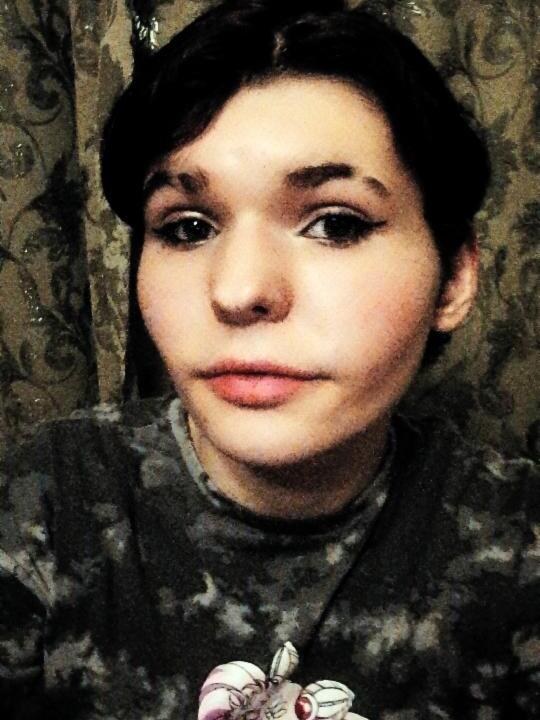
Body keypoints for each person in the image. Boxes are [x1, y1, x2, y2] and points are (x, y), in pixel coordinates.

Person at [0, 1, 538, 718]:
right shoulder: (43, 503)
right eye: (187, 228)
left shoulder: (516, 545)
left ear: (454, 279)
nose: (239, 290)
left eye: (335, 224)